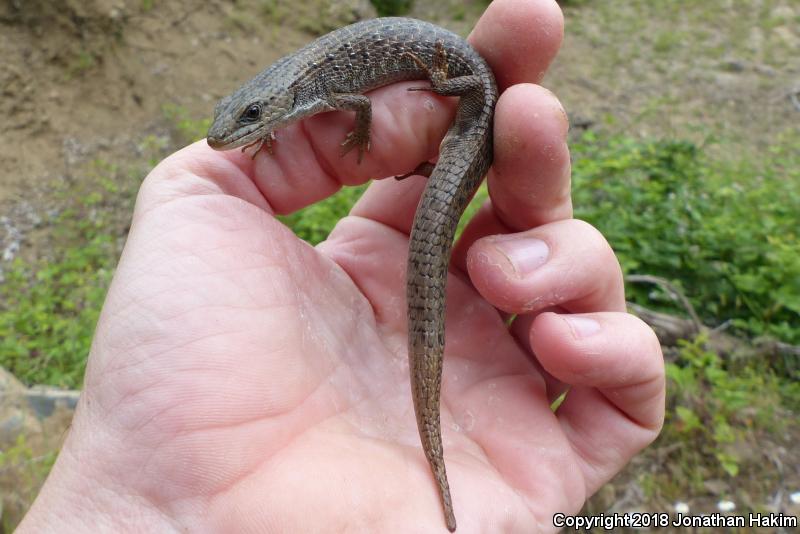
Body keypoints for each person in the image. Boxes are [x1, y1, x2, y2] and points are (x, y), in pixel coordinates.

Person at [18, 0, 664, 531]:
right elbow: (272, 119)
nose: (230, 136)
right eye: (243, 120)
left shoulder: (312, 91)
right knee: (436, 220)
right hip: (455, 103)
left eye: (249, 121)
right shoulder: (282, 102)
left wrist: (384, 124)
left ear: (271, 107)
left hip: (475, 98)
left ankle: (438, 462)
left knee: (463, 191)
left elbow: (358, 107)